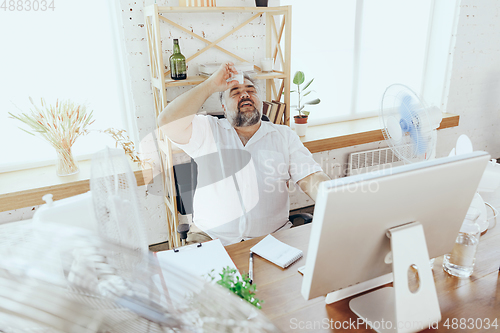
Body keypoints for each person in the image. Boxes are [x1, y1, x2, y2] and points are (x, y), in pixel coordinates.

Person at [158, 62, 330, 245]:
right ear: (224, 108)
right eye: (235, 92)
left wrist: (332, 197)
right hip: (210, 237)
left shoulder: (284, 136)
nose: (245, 94)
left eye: (251, 90)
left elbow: (311, 177)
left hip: (272, 237)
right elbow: (166, 121)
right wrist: (210, 85)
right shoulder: (207, 130)